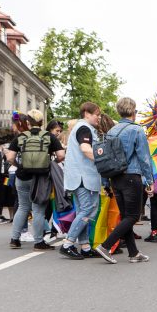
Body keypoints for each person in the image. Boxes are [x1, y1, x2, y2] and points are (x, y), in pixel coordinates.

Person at [92, 97, 154, 263]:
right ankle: (105, 246)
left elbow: (106, 158)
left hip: (115, 177)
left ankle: (133, 253)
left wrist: (106, 183)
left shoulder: (111, 131)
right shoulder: (137, 130)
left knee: (126, 216)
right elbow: (144, 158)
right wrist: (150, 180)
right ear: (133, 111)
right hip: (132, 176)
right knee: (133, 216)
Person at [5, 110, 65, 250]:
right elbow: (61, 155)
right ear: (41, 122)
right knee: (38, 210)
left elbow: (9, 158)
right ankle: (38, 242)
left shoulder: (20, 137)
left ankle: (15, 239)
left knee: (23, 207)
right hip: (41, 178)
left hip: (22, 176)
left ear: (27, 122)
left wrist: (19, 166)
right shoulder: (49, 136)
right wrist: (51, 163)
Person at [60, 102, 103, 260]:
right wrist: (102, 160)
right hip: (83, 178)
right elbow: (85, 149)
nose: (98, 117)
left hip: (78, 177)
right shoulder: (84, 128)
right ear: (86, 113)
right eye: (96, 114)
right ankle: (67, 244)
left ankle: (85, 247)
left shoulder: (82, 128)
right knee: (87, 210)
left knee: (82, 212)